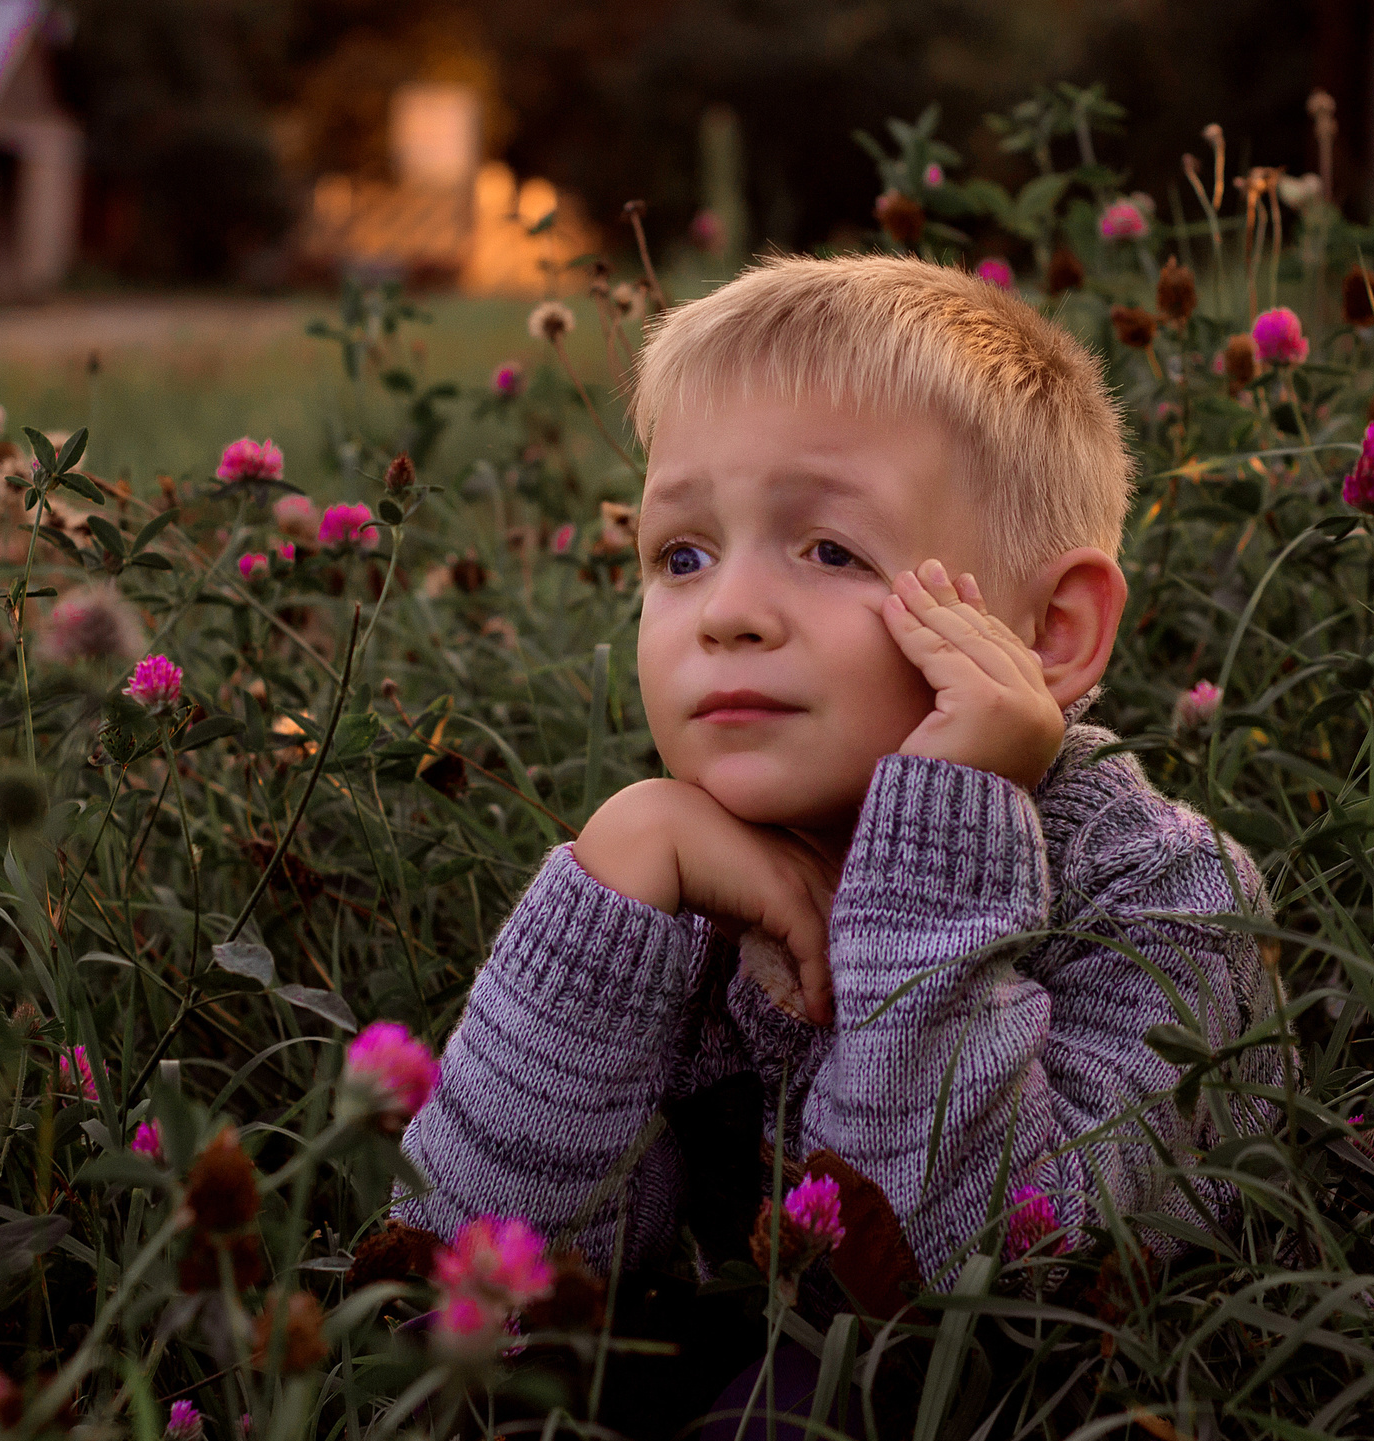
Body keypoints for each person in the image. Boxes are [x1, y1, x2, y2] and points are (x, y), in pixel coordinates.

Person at [392, 253, 1291, 1409]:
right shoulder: (683, 870)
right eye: (682, 555)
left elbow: (981, 1298)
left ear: (1051, 633)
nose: (726, 612)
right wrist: (617, 873)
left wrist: (941, 839)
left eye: (828, 550)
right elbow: (461, 1308)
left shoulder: (1167, 898)